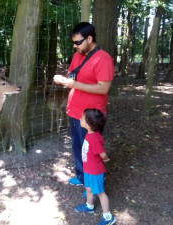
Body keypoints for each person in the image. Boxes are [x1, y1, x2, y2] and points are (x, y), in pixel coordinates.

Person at [53, 22, 114, 188]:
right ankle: (82, 178)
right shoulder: (77, 55)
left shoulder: (103, 59)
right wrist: (65, 79)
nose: (75, 46)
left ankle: (94, 185)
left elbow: (103, 87)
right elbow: (73, 74)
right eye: (73, 42)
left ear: (90, 38)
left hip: (92, 115)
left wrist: (74, 85)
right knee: (78, 147)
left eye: (78, 42)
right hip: (75, 111)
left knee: (91, 151)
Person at [74, 108, 115, 225]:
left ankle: (108, 217)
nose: (79, 119)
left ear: (89, 124)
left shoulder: (95, 138)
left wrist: (105, 158)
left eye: (81, 118)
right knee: (88, 189)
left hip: (95, 171)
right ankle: (89, 206)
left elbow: (101, 152)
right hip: (88, 169)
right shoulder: (90, 133)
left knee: (100, 193)